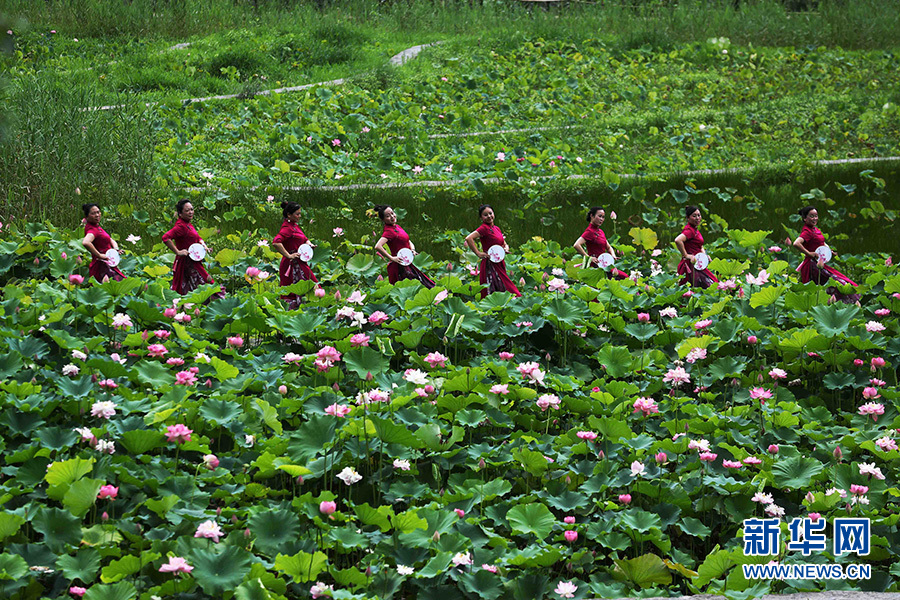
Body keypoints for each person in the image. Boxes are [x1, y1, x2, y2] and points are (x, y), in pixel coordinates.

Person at [792, 205, 860, 304]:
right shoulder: (807, 231)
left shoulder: (815, 230)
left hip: (819, 263)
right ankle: (837, 304)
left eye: (816, 216)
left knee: (836, 282)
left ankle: (837, 305)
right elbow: (796, 243)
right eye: (811, 216)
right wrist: (809, 253)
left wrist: (829, 251)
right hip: (812, 266)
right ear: (804, 218)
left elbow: (822, 243)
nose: (814, 218)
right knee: (834, 282)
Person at [161, 199, 225, 299]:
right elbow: (165, 237)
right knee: (203, 281)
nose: (191, 212)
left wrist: (204, 245)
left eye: (192, 209)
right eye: (187, 210)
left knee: (197, 284)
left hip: (194, 260)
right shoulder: (180, 227)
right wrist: (178, 251)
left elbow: (197, 238)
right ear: (180, 214)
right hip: (186, 262)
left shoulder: (188, 224)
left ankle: (202, 305)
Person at [465, 204, 521, 298]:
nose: (489, 216)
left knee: (503, 285)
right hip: (490, 264)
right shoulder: (484, 229)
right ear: (481, 218)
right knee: (496, 288)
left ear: (493, 214)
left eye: (490, 213)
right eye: (485, 215)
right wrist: (478, 253)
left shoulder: (496, 228)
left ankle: (506, 305)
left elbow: (504, 243)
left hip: (499, 262)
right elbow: (469, 238)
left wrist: (506, 248)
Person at [373, 204, 435, 289]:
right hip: (399, 265)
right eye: (388, 216)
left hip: (407, 262)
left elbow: (408, 241)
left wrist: (412, 250)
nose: (392, 216)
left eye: (392, 213)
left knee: (423, 283)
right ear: (383, 220)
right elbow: (378, 246)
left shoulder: (397, 227)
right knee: (409, 287)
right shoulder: (388, 232)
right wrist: (391, 258)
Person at [272, 201, 318, 309]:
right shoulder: (287, 229)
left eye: (300, 213)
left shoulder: (294, 226)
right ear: (289, 215)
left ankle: (311, 310)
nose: (300, 216)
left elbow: (304, 239)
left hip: (301, 262)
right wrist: (288, 255)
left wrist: (310, 245)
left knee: (313, 284)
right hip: (291, 264)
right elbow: (276, 242)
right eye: (297, 214)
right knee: (294, 291)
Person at [573, 206, 628, 280]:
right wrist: (588, 258)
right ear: (592, 216)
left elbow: (608, 247)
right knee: (623, 277)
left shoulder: (600, 232)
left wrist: (613, 256)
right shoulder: (589, 232)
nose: (601, 219)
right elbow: (576, 245)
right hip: (596, 266)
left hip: (605, 264)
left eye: (603, 217)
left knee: (624, 277)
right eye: (599, 216)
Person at [674, 205, 719, 289]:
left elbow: (700, 245)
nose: (697, 218)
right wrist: (686, 255)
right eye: (694, 216)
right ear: (688, 218)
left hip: (699, 263)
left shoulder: (695, 230)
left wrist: (705, 256)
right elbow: (678, 240)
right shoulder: (689, 231)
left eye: (699, 215)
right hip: (691, 264)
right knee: (701, 287)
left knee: (712, 285)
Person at [81, 203, 125, 283]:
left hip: (108, 263)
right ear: (87, 217)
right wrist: (99, 255)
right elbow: (86, 242)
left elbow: (110, 239)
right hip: (101, 266)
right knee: (121, 286)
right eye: (93, 213)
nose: (97, 215)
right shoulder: (92, 230)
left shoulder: (97, 227)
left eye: (98, 212)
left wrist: (116, 249)